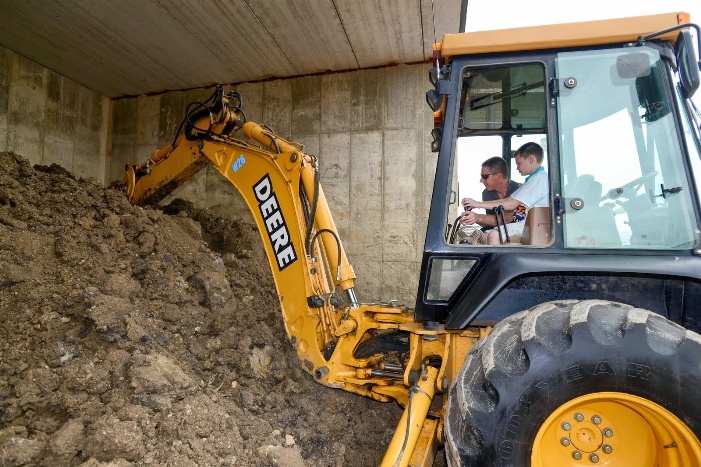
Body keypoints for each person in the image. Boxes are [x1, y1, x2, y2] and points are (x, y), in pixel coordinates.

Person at [462, 142, 548, 245]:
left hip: (533, 226)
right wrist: (475, 212)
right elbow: (508, 200)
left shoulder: (538, 180)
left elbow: (512, 206)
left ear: (531, 159)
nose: (517, 168)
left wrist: (478, 205)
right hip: (527, 224)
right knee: (485, 235)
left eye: (518, 163)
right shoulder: (531, 181)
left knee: (494, 235)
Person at [459, 156, 521, 229]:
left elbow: (507, 219)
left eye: (484, 176)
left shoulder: (519, 189)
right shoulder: (486, 193)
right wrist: (472, 218)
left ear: (498, 176)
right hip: (498, 232)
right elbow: (492, 223)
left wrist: (477, 217)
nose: (481, 180)